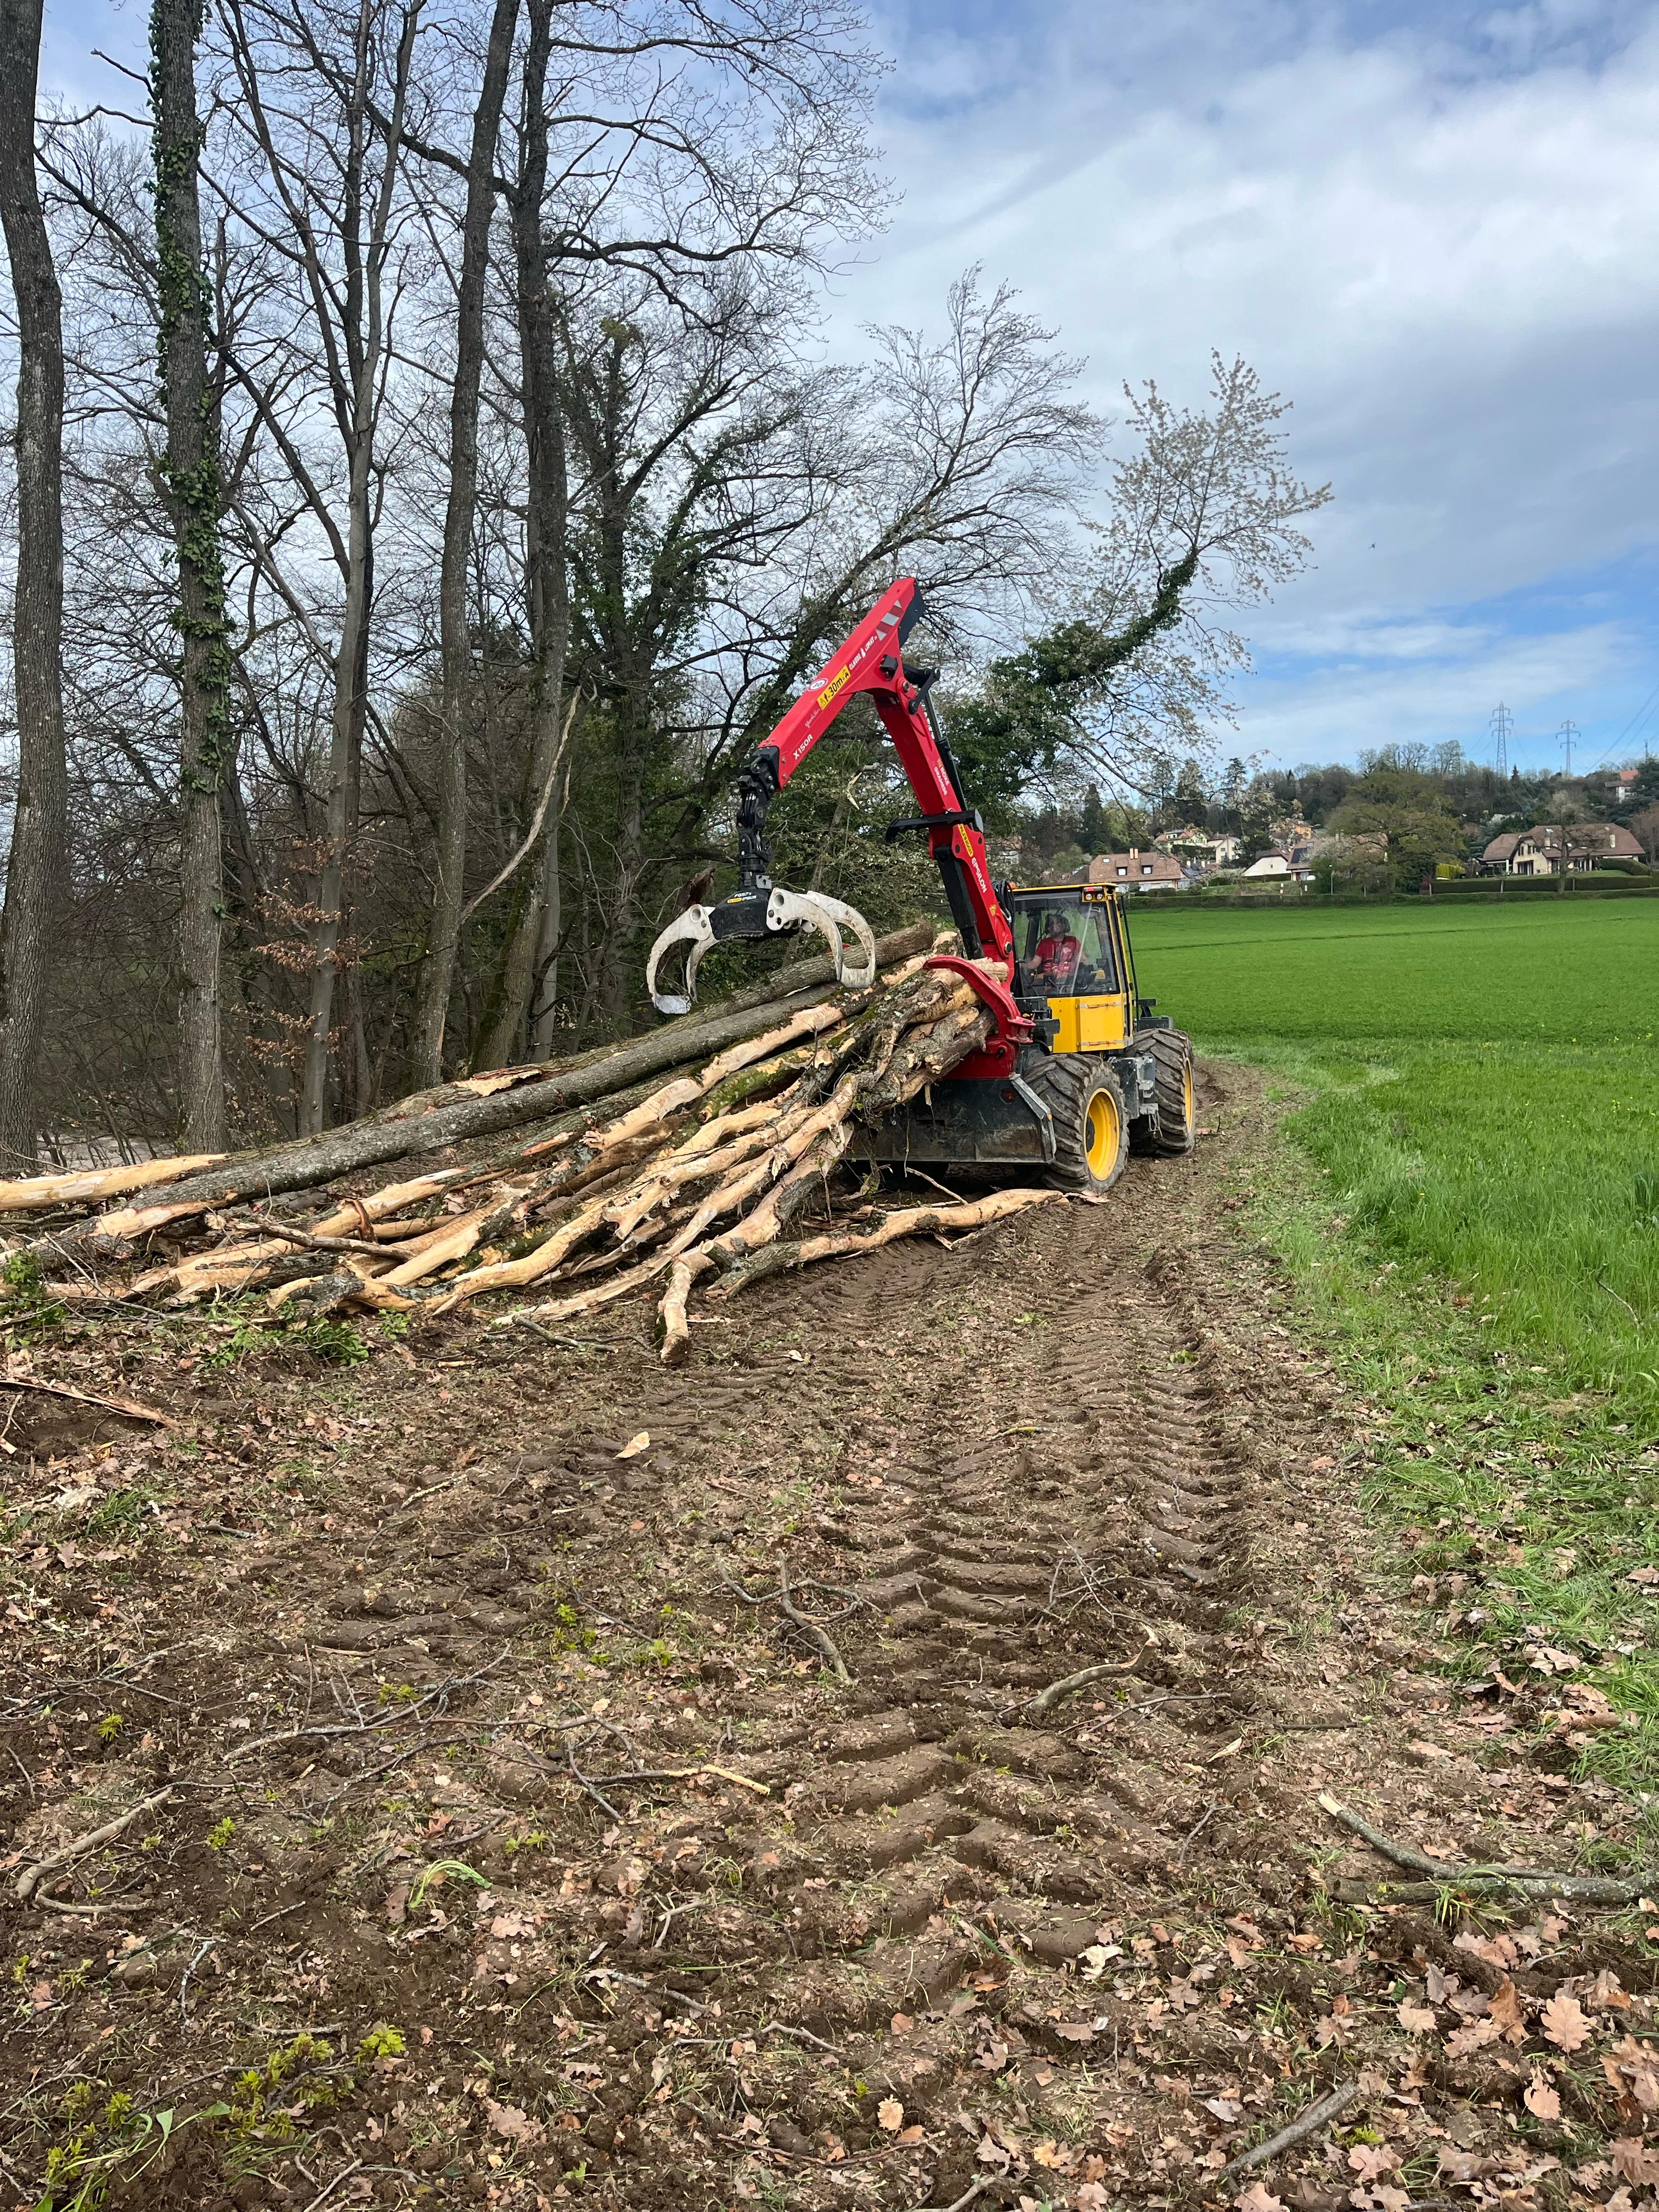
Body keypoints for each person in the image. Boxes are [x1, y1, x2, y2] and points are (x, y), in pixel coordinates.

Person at [1032, 910, 1081, 986]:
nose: (1049, 928)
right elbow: (1035, 963)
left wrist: (1079, 961)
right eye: (1049, 925)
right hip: (1047, 977)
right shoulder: (1044, 943)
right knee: (1037, 982)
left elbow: (1084, 960)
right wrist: (1023, 965)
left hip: (1068, 978)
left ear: (1062, 926)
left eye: (1052, 925)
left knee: (1063, 979)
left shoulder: (1073, 942)